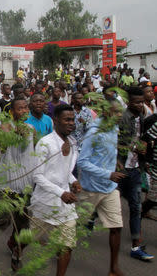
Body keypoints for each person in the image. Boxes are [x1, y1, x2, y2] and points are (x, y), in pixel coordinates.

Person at [77, 99, 128, 276]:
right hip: (90, 188)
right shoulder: (93, 132)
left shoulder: (114, 128)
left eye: (120, 112)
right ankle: (58, 250)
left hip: (109, 188)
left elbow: (108, 152)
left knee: (116, 227)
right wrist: (107, 173)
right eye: (116, 112)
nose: (120, 115)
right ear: (106, 112)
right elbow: (82, 161)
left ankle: (113, 268)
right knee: (73, 225)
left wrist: (116, 164)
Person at [29, 104, 80, 276]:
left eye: (73, 120)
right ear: (56, 121)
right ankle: (16, 247)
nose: (71, 123)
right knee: (31, 239)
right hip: (44, 203)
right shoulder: (45, 144)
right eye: (67, 120)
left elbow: (64, 170)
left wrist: (74, 181)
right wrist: (61, 193)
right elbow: (38, 176)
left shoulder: (73, 142)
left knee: (66, 245)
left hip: (65, 206)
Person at [0, 98, 36, 271]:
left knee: (24, 226)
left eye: (26, 107)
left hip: (27, 183)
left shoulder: (31, 129)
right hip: (9, 184)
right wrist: (13, 133)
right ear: (12, 111)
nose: (24, 110)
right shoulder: (5, 126)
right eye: (20, 108)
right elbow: (3, 144)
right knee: (3, 219)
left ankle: (17, 253)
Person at [117, 87, 154, 261]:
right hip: (121, 168)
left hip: (135, 168)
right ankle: (89, 221)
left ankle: (135, 246)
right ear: (128, 101)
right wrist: (136, 147)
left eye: (141, 102)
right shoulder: (123, 118)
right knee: (103, 201)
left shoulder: (140, 116)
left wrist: (143, 159)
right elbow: (119, 142)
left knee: (135, 206)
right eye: (136, 102)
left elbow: (140, 138)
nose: (140, 105)